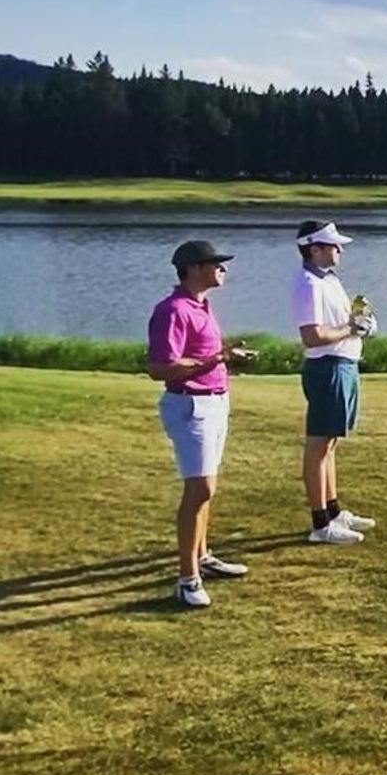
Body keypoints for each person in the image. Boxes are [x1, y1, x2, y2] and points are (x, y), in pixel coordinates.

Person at [147, 238, 256, 609]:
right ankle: (187, 578)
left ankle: (203, 555)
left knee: (206, 488)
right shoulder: (173, 310)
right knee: (200, 489)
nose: (222, 269)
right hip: (190, 406)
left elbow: (203, 356)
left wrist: (223, 358)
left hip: (214, 402)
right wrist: (216, 360)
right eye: (215, 263)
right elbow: (160, 367)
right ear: (193, 268)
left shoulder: (201, 306)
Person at [290, 219, 377, 545]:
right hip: (327, 367)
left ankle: (333, 511)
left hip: (344, 364)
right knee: (319, 445)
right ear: (315, 249)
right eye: (333, 245)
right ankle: (320, 523)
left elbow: (339, 324)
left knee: (330, 443)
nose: (340, 249)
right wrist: (351, 329)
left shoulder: (328, 279)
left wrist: (360, 325)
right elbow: (312, 336)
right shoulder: (308, 284)